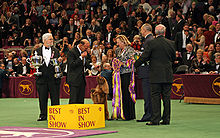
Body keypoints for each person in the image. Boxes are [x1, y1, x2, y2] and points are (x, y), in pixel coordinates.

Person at [134, 24, 176, 125]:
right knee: (166, 98)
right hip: (167, 74)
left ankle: (155, 119)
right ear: (164, 33)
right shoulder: (171, 43)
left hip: (155, 75)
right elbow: (173, 58)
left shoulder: (151, 43)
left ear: (155, 33)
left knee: (155, 97)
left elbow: (145, 57)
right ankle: (166, 119)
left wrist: (135, 64)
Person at [34, 33, 61, 121]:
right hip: (41, 78)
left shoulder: (56, 51)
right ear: (44, 40)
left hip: (53, 78)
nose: (52, 41)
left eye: (52, 39)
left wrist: (59, 61)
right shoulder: (37, 51)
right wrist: (33, 65)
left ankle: (56, 115)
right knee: (42, 98)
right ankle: (43, 115)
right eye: (50, 39)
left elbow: (57, 64)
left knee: (55, 98)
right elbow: (35, 63)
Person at [114, 35, 136, 120]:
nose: (117, 43)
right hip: (119, 74)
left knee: (128, 92)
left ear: (123, 41)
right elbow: (116, 59)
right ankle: (122, 113)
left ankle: (130, 114)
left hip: (128, 73)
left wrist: (121, 63)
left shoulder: (130, 50)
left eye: (118, 42)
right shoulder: (117, 50)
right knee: (121, 93)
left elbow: (132, 61)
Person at [136, 23, 153, 122]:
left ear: (145, 30)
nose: (141, 32)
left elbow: (146, 56)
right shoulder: (149, 40)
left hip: (147, 71)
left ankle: (148, 114)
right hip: (148, 71)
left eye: (141, 30)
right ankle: (149, 114)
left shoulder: (148, 41)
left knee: (148, 95)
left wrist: (135, 63)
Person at [67, 39, 91, 104]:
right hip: (74, 80)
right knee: (74, 100)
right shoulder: (71, 52)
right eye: (86, 47)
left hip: (82, 80)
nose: (87, 49)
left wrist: (94, 67)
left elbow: (86, 63)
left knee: (81, 100)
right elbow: (72, 64)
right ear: (81, 45)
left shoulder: (85, 52)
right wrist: (81, 57)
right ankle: (72, 114)